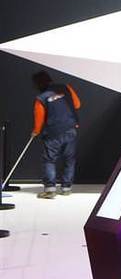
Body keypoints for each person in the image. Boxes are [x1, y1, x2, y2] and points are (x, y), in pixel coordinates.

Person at [31, 71, 81, 199]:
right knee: (69, 159)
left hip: (53, 133)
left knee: (49, 159)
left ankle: (50, 190)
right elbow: (77, 104)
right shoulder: (66, 88)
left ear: (37, 84)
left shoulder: (41, 98)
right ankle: (66, 188)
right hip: (70, 128)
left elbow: (39, 118)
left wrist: (36, 131)